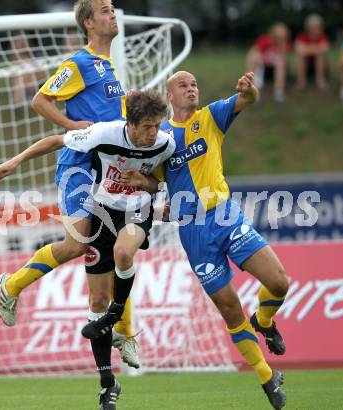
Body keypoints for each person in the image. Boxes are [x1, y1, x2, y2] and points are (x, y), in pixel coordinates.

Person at [94, 71, 290, 409]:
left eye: (195, 84)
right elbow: (157, 183)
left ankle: (265, 321)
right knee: (229, 309)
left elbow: (248, 100)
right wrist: (144, 184)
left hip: (225, 216)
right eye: (184, 85)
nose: (192, 89)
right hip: (193, 230)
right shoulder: (161, 138)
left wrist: (250, 90)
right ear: (171, 95)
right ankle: (265, 375)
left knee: (280, 282)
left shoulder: (211, 117)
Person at [0, 90, 175, 409]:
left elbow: (165, 183)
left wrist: (147, 186)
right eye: (147, 126)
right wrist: (15, 161)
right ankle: (107, 383)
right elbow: (56, 141)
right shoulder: (105, 133)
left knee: (123, 253)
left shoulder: (165, 143)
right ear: (130, 123)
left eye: (156, 126)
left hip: (136, 209)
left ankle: (120, 321)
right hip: (105, 209)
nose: (153, 133)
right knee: (96, 299)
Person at [0, 0, 141, 370]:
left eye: (113, 9)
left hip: (109, 171)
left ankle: (125, 332)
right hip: (79, 168)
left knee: (118, 249)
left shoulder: (109, 68)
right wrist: (71, 125)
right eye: (106, 10)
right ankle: (12, 286)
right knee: (77, 244)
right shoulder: (80, 63)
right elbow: (40, 100)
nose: (113, 14)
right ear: (89, 23)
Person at [246, 22, 290, 102]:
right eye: (278, 36)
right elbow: (256, 52)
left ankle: (278, 91)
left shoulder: (284, 43)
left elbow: (283, 58)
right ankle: (252, 88)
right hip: (263, 66)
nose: (279, 38)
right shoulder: (265, 40)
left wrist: (281, 44)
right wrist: (263, 60)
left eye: (282, 36)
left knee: (280, 62)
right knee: (253, 58)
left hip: (276, 69)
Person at [294, 13, 329, 91]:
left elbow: (324, 49)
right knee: (301, 57)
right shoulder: (302, 36)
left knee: (320, 56)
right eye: (314, 28)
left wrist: (308, 48)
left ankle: (320, 81)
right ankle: (301, 83)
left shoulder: (322, 37)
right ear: (308, 28)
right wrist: (316, 48)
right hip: (306, 63)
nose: (316, 30)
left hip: (321, 64)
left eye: (318, 28)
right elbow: (299, 51)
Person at [10, 34, 46, 106]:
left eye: (23, 42)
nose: (22, 45)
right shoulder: (15, 58)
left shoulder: (32, 57)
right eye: (19, 42)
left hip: (35, 84)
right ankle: (19, 102)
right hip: (22, 87)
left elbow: (42, 75)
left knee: (31, 69)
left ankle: (31, 96)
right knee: (21, 74)